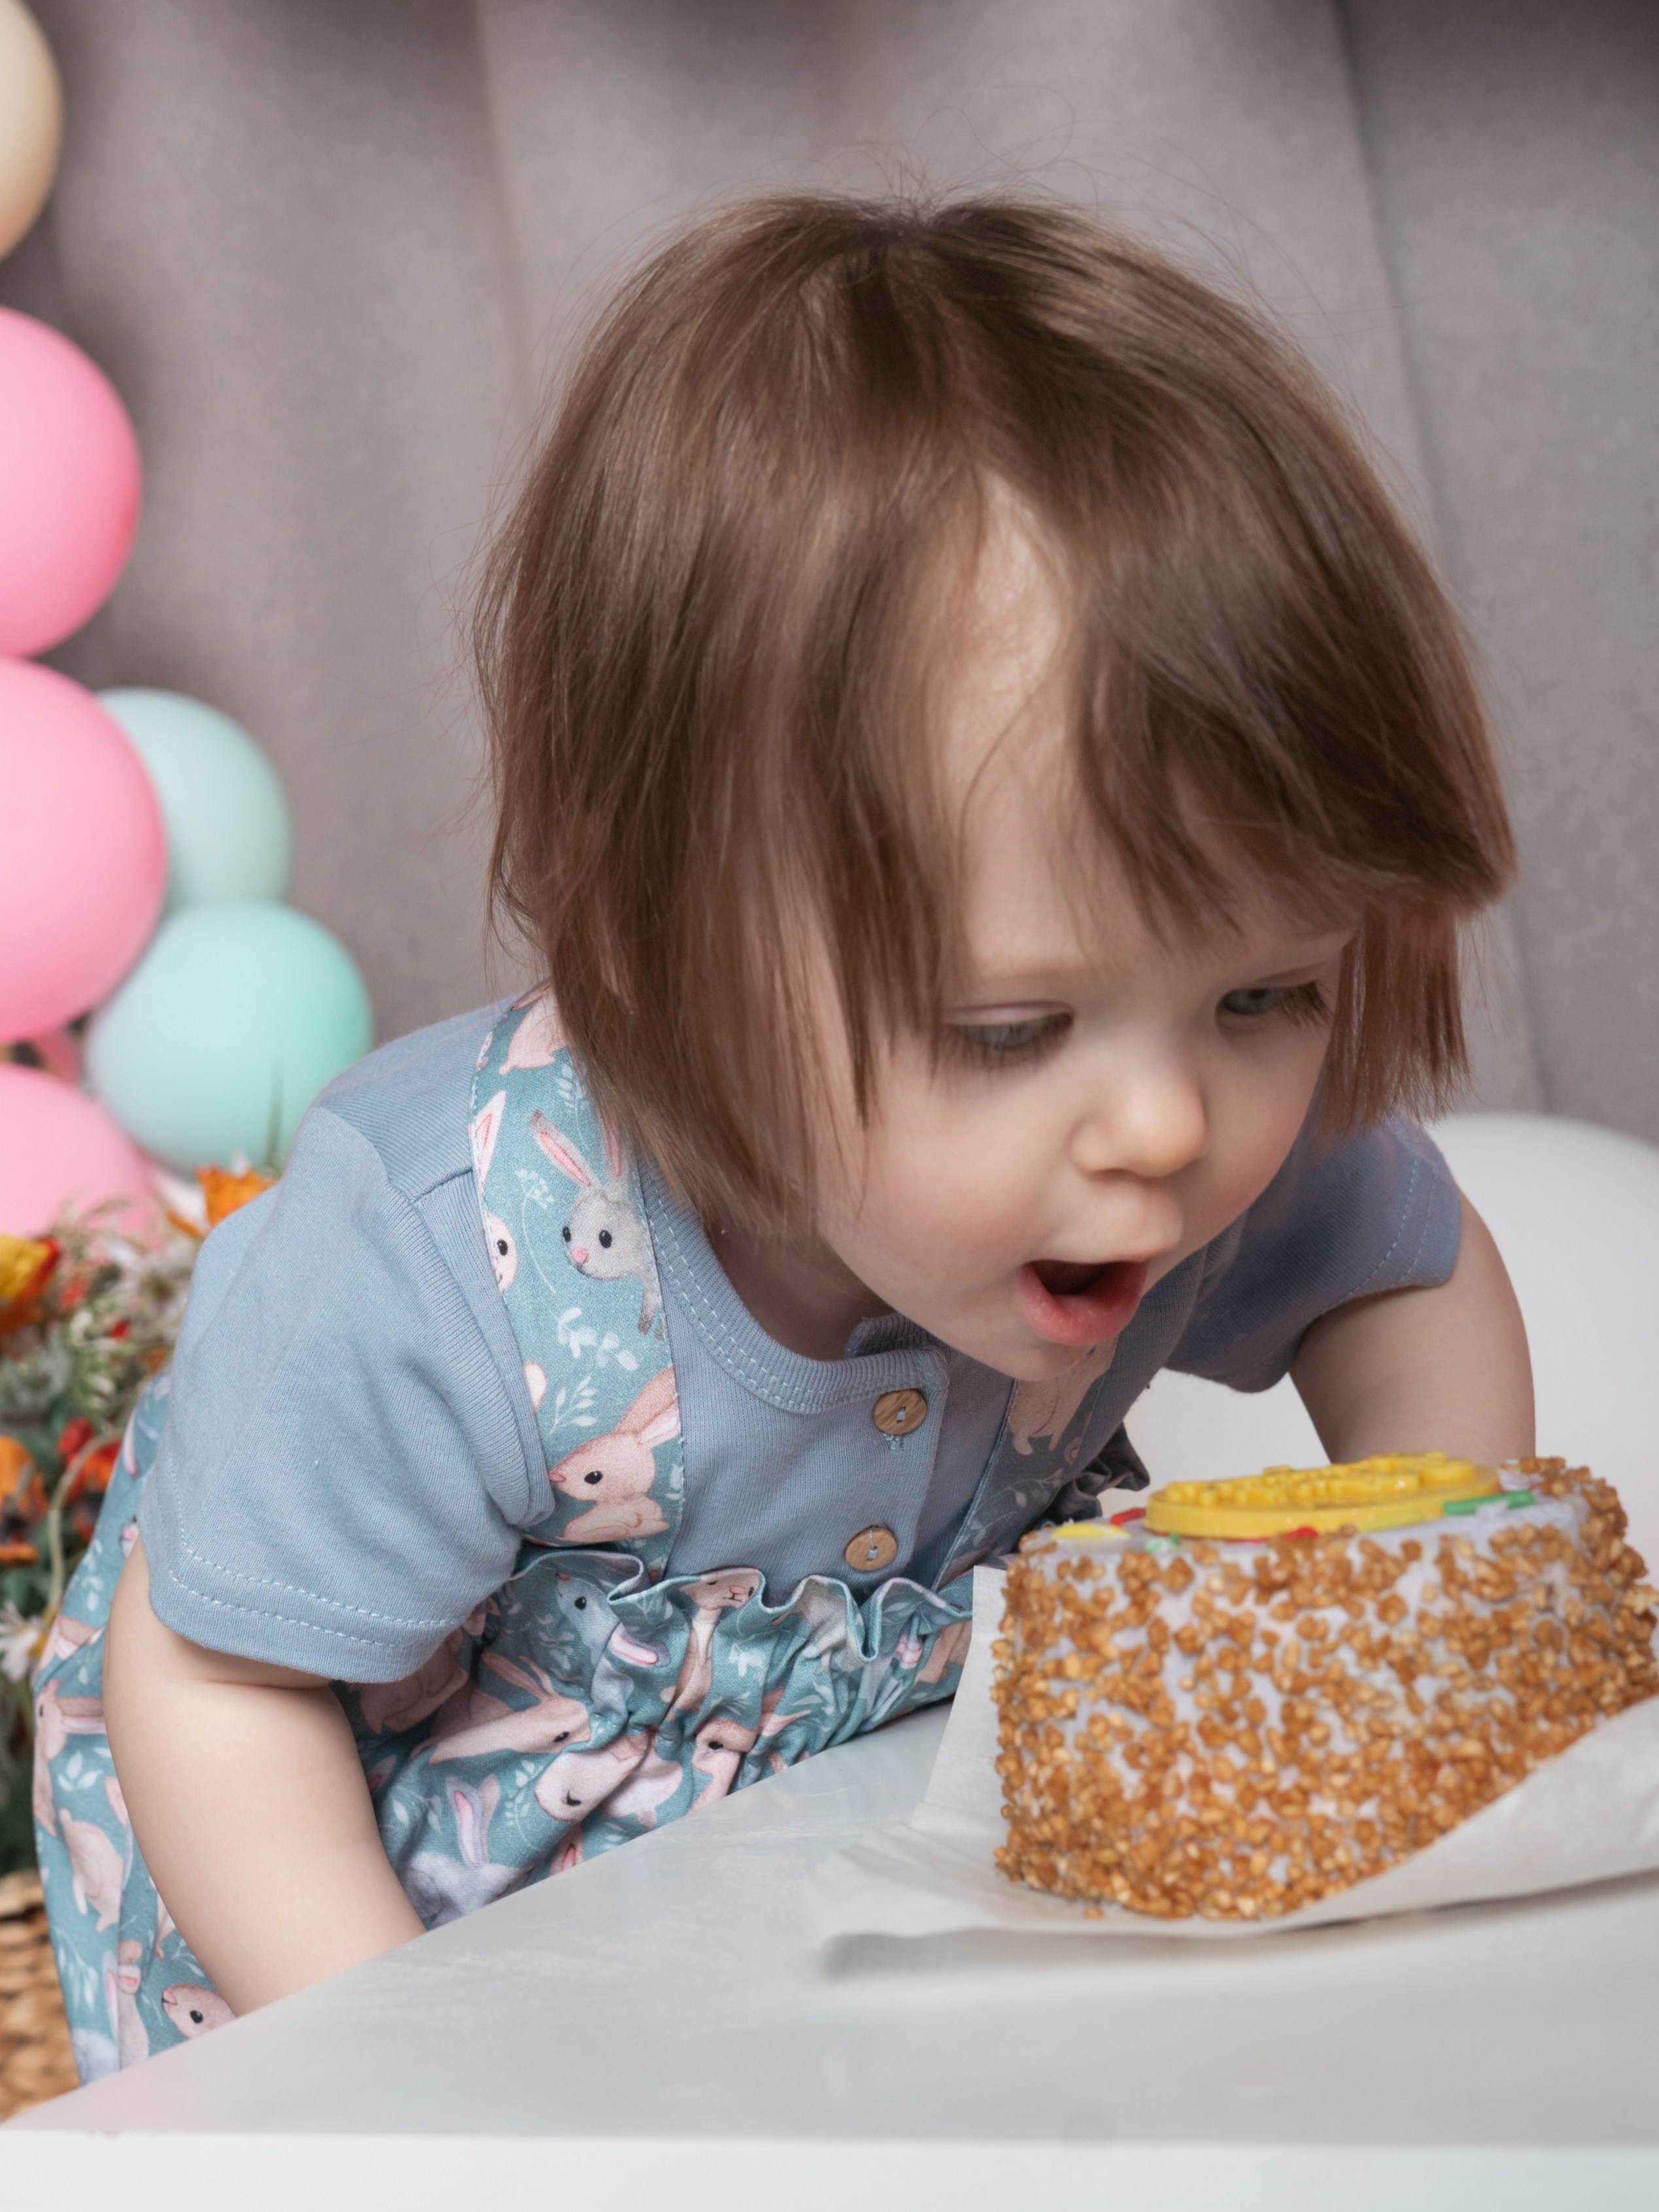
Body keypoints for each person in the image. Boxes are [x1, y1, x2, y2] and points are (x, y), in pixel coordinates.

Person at [36, 195, 1531, 2071]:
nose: (1165, 1125)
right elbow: (211, 1682)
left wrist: (1425, 1627)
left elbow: (1401, 1272)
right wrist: (400, 2081)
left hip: (825, 1906)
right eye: (1009, 1030)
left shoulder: (1174, 1137)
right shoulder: (439, 1255)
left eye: (1269, 994)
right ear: (667, 952)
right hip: (369, 1943)